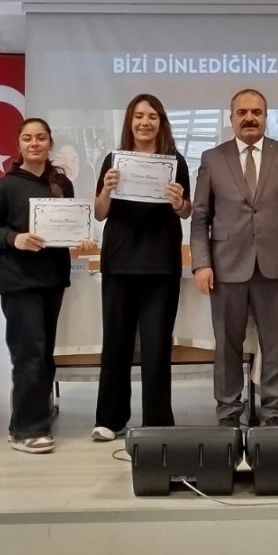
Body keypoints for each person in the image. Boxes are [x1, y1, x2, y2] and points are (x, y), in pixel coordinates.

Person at [191, 88, 278, 427]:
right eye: (242, 112)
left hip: (276, 265)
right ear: (231, 118)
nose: (249, 118)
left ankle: (275, 415)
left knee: (275, 347)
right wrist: (202, 263)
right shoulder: (213, 158)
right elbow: (200, 216)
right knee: (227, 348)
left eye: (256, 112)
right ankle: (228, 415)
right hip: (226, 267)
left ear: (265, 117)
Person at [0, 117, 94, 454]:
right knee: (29, 352)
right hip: (19, 281)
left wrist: (82, 239)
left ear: (50, 143)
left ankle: (29, 419)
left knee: (44, 355)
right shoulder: (3, 186)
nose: (34, 143)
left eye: (41, 138)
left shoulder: (62, 183)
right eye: (27, 138)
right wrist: (15, 238)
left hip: (53, 278)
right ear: (18, 145)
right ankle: (27, 431)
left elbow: (71, 226)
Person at [90, 94, 192, 441]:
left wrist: (180, 203)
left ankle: (158, 421)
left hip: (161, 264)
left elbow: (186, 210)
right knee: (115, 343)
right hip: (119, 261)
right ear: (129, 122)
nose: (145, 123)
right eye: (138, 116)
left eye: (152, 117)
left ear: (161, 122)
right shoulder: (113, 160)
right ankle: (110, 419)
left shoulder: (175, 161)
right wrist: (105, 188)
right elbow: (100, 212)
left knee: (156, 346)